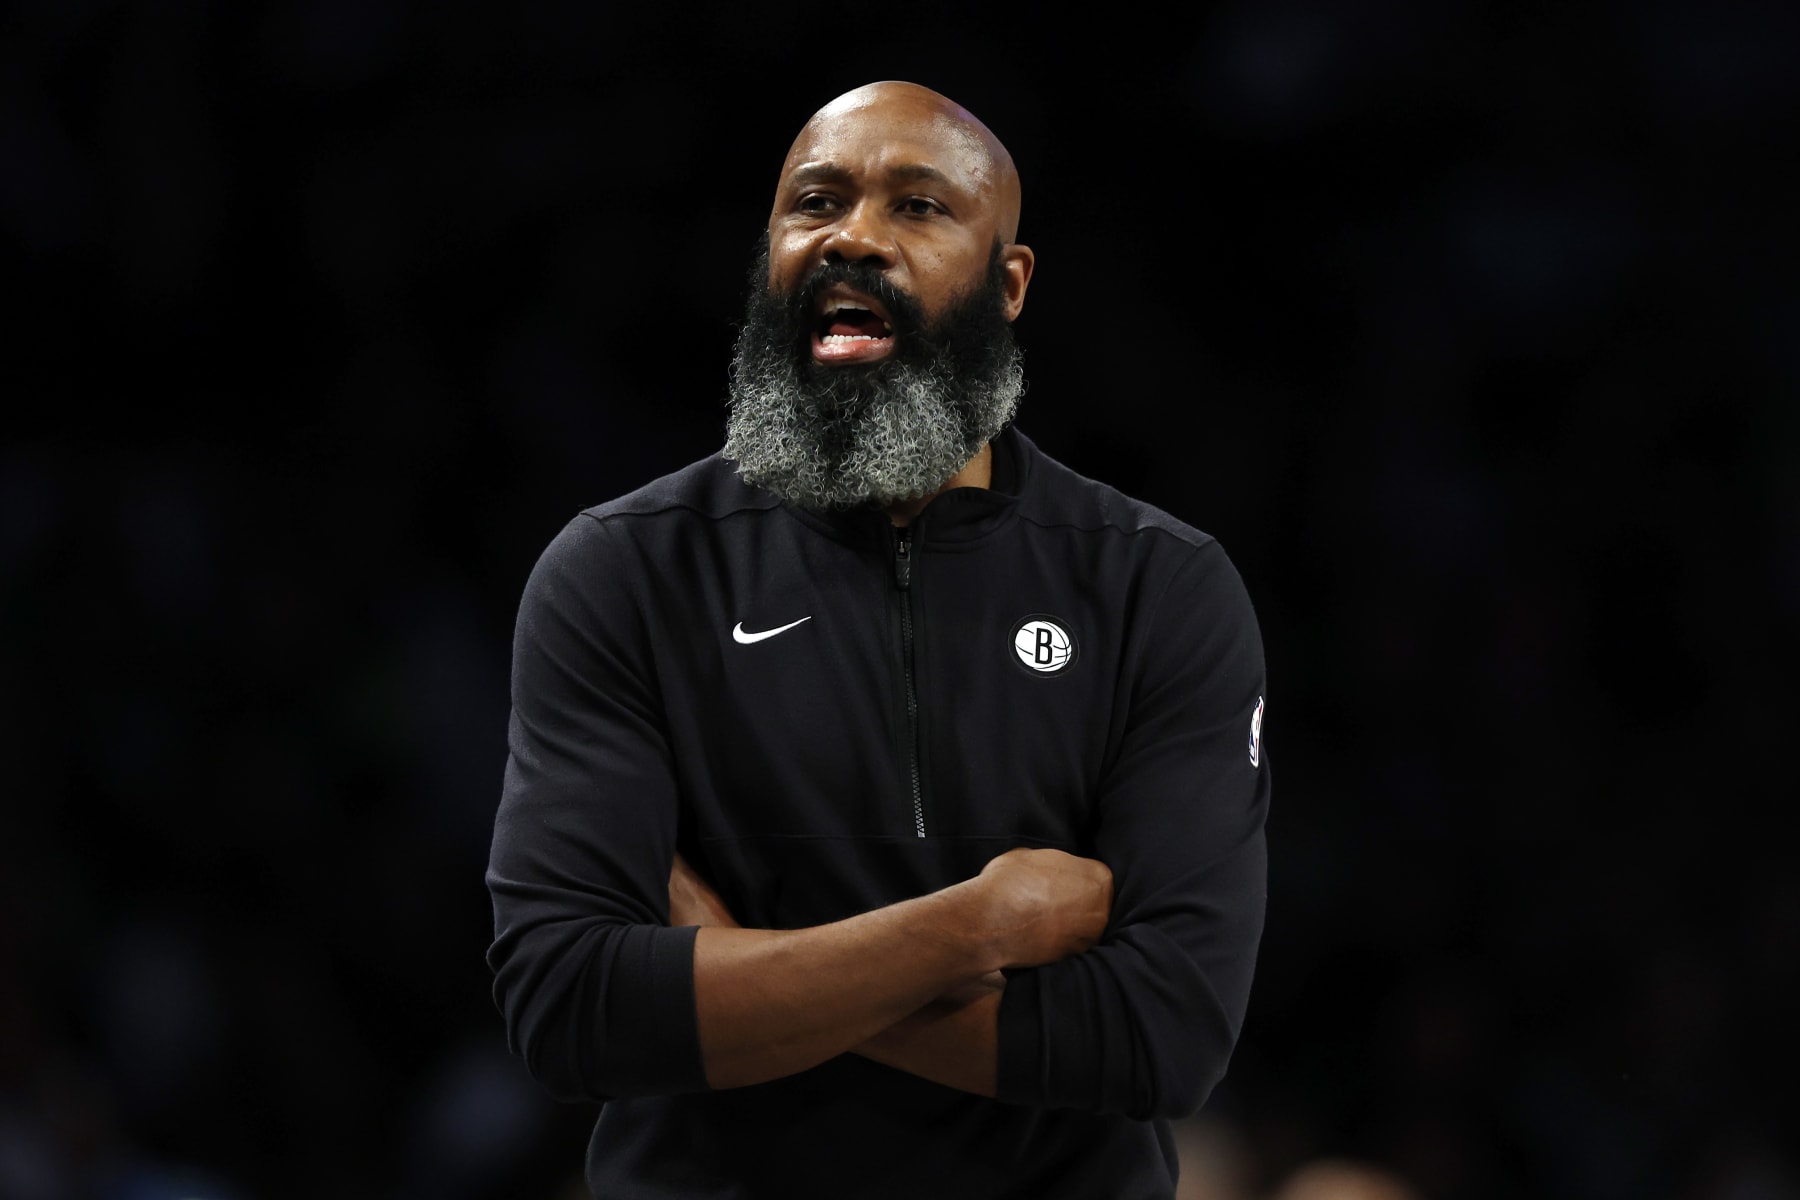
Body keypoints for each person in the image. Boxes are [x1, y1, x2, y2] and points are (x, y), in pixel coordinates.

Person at [487, 81, 1271, 1199]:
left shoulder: (1157, 585)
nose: (854, 236)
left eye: (918, 207)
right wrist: (972, 926)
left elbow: (1161, 1037)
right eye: (816, 203)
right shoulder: (625, 572)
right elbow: (570, 1010)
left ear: (1009, 285)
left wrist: (740, 967)